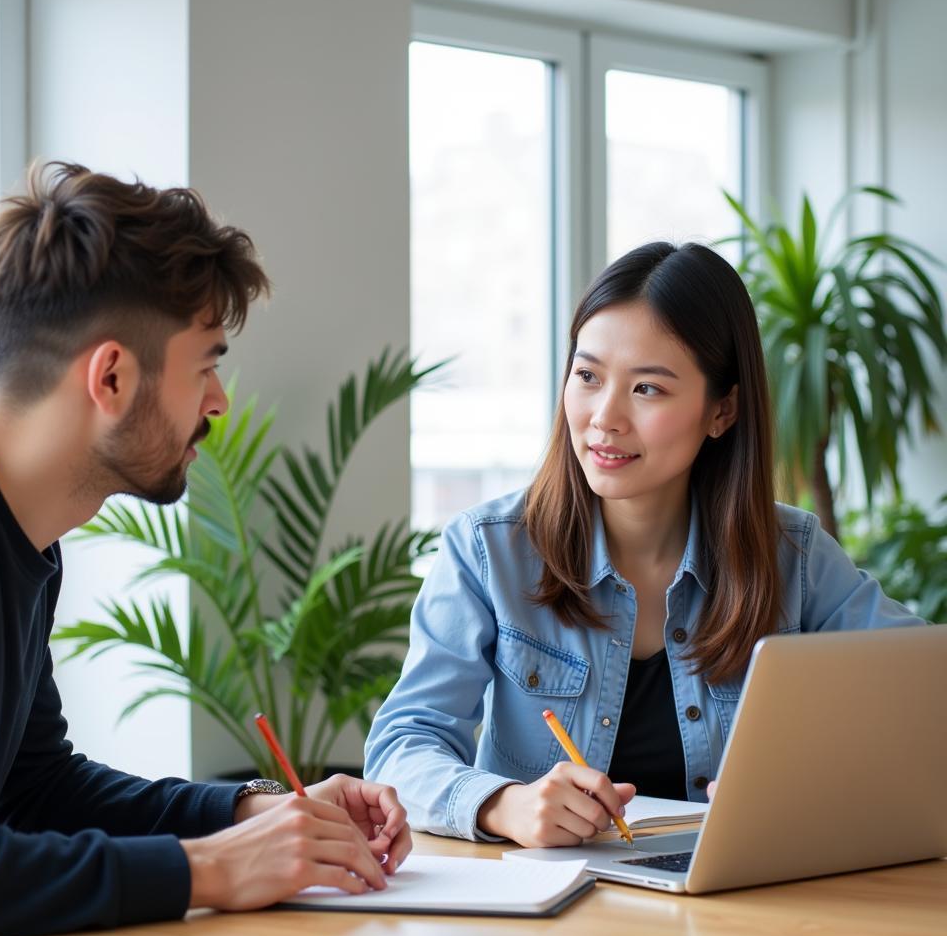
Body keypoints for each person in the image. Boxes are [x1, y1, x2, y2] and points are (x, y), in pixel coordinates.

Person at [0, 162, 410, 936]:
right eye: (208, 364)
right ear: (111, 375)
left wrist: (260, 812)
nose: (218, 402)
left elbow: (35, 789)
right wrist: (211, 870)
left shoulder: (13, 536)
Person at [364, 241, 924, 849]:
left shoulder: (793, 556)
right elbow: (401, 744)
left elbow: (922, 690)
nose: (605, 418)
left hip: (737, 905)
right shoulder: (488, 551)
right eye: (587, 376)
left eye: (648, 389)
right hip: (544, 914)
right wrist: (504, 804)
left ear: (723, 410)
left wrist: (822, 777)